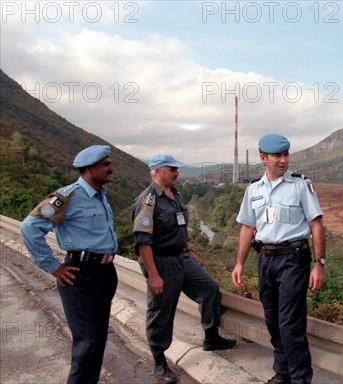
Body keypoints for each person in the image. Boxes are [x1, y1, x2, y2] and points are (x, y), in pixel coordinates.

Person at [132, 153, 236, 384]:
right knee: (161, 311)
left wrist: (189, 250)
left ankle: (211, 337)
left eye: (177, 169)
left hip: (181, 257)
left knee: (209, 289)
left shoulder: (174, 195)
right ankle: (159, 360)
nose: (177, 173)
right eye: (172, 169)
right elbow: (143, 243)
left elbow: (176, 229)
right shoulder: (148, 200)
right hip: (161, 262)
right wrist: (154, 276)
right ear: (157, 171)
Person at [232, 134, 326, 384]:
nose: (283, 160)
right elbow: (247, 228)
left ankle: (300, 378)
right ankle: (282, 371)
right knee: (273, 319)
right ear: (263, 158)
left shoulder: (300, 185)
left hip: (293, 260)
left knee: (290, 322)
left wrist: (319, 263)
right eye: (277, 156)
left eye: (286, 155)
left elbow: (316, 224)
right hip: (265, 259)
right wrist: (240, 262)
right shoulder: (253, 189)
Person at [20, 145, 118, 384]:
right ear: (89, 169)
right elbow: (29, 228)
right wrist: (53, 267)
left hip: (104, 272)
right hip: (80, 274)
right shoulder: (67, 197)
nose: (111, 168)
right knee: (88, 343)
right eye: (105, 164)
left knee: (96, 341)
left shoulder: (101, 196)